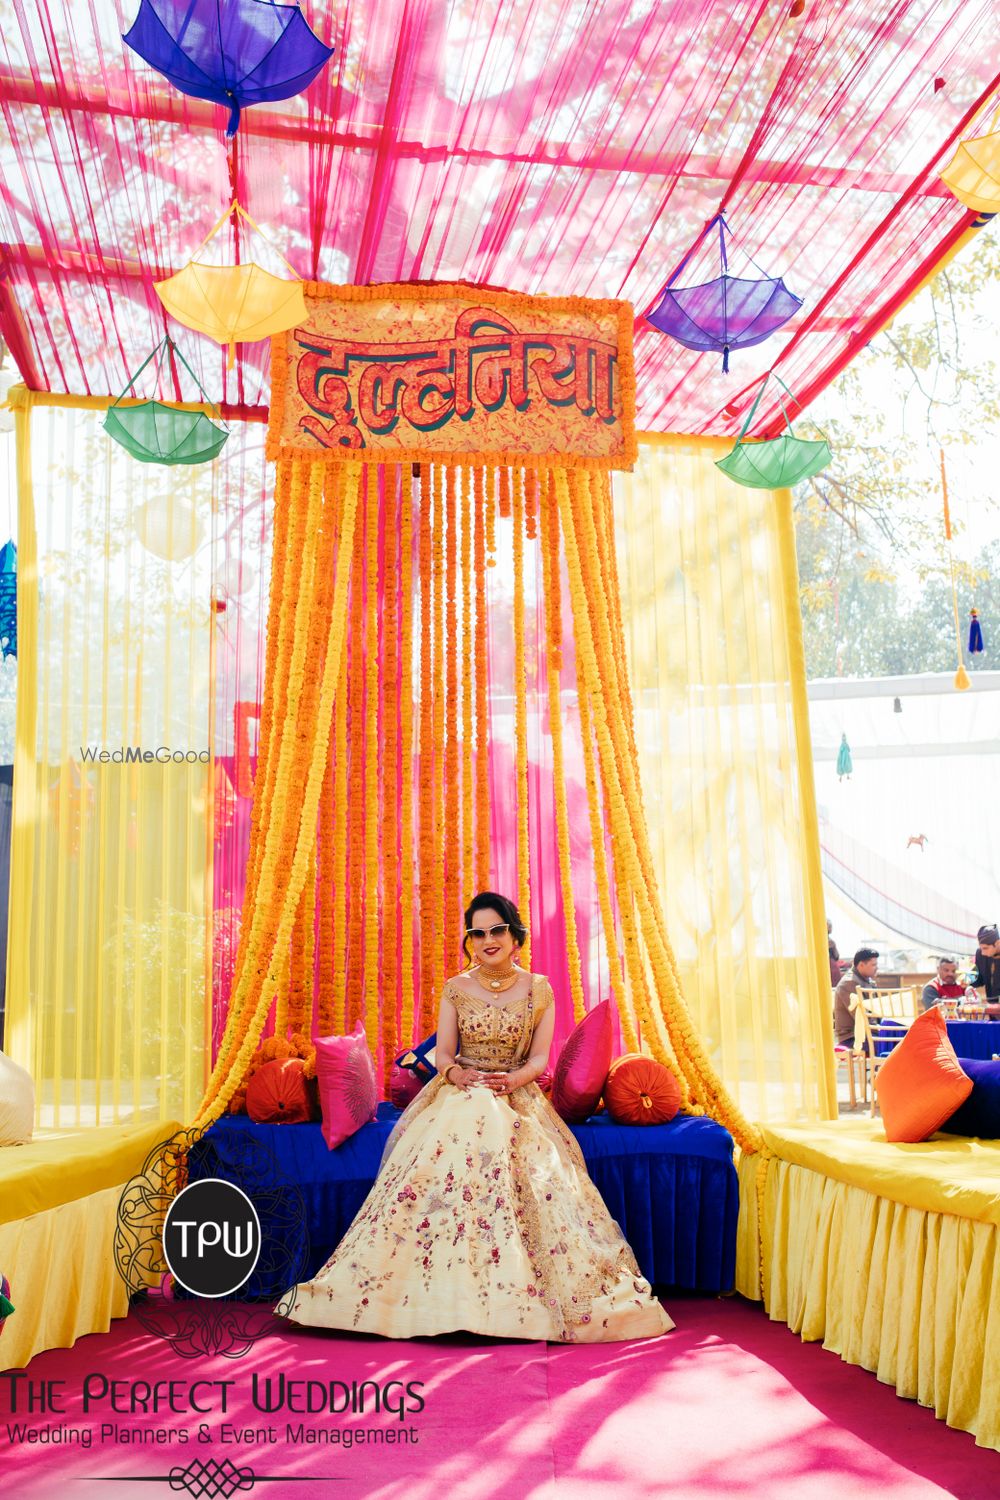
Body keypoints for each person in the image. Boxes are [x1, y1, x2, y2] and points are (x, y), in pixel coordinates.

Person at [280, 892, 672, 1343]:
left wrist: (512, 1079)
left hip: (516, 1093)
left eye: (497, 930)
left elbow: (541, 1059)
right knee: (460, 1129)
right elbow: (444, 1053)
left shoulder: (539, 989)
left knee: (523, 1154)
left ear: (514, 934)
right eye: (478, 933)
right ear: (469, 941)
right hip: (461, 1090)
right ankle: (428, 1297)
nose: (488, 940)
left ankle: (507, 1297)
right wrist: (456, 1072)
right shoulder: (456, 988)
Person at [833, 947, 879, 1046]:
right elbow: (862, 1017)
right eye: (873, 965)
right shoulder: (849, 983)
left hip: (869, 1032)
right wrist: (882, 1030)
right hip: (852, 1037)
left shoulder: (868, 980)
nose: (877, 968)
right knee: (895, 1043)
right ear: (861, 965)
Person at [972, 925, 1000, 1001]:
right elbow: (978, 979)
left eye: (985, 948)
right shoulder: (980, 954)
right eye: (981, 948)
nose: (983, 953)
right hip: (991, 1009)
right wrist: (968, 980)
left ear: (997, 943)